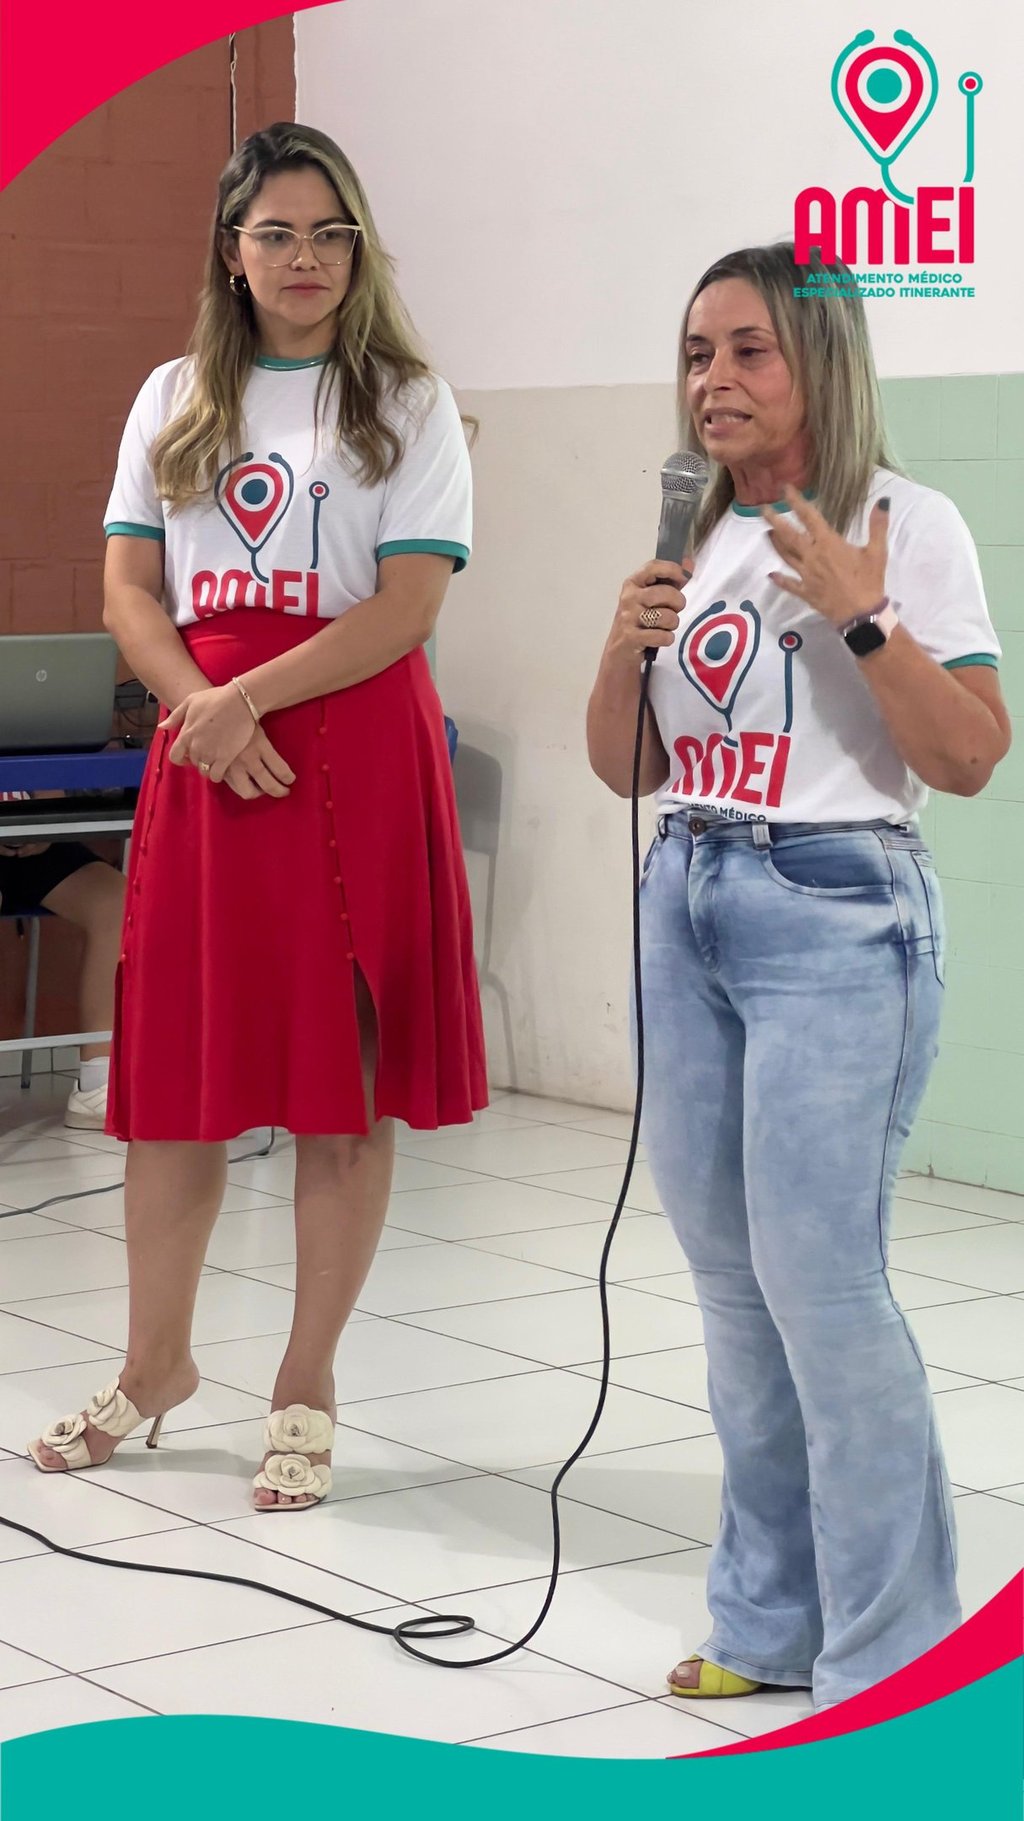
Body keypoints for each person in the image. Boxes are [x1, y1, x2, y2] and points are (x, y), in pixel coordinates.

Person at [29, 122, 487, 1510]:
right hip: (209, 751)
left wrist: (245, 704)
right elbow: (127, 590)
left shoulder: (407, 399)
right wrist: (198, 711)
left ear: (359, 249)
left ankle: (305, 1382)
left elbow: (408, 605)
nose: (305, 258)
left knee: (344, 1082)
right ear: (231, 251)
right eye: (276, 233)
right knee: (177, 1080)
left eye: (329, 233)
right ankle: (154, 1364)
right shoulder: (171, 395)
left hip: (349, 746)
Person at [586, 242, 1010, 1712]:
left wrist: (860, 611)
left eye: (747, 350)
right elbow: (626, 767)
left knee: (824, 1288)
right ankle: (768, 1622)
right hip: (686, 896)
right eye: (696, 353)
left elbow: (968, 754)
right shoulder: (695, 533)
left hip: (835, 911)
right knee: (731, 1292)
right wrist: (621, 646)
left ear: (817, 363)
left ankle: (896, 1653)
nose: (713, 380)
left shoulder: (905, 522)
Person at [0, 810, 125, 1129]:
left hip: (33, 844)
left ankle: (97, 1083)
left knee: (119, 903)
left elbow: (50, 786)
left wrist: (44, 824)